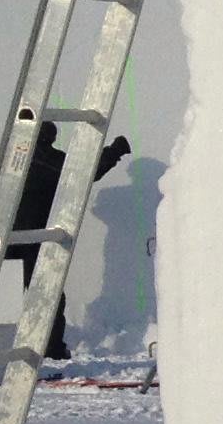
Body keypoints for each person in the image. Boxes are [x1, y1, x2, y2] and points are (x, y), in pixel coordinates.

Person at [7, 122, 133, 362]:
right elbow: (87, 171)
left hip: (7, 238)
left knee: (6, 295)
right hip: (34, 238)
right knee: (48, 295)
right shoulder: (49, 161)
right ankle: (51, 349)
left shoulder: (15, 158)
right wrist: (115, 151)